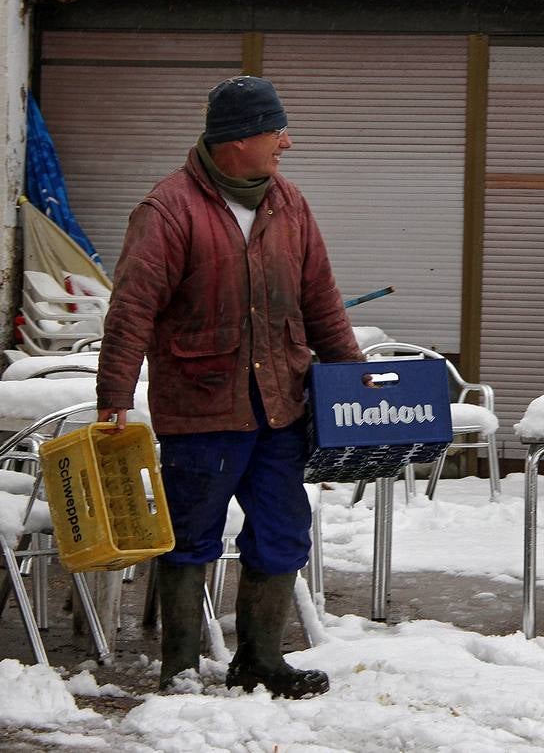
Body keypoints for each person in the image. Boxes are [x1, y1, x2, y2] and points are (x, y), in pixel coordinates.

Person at [95, 76, 362, 699]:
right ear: (239, 140)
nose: (286, 144)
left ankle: (261, 661)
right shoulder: (168, 210)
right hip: (202, 406)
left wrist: (351, 376)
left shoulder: (288, 204)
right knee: (191, 537)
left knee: (284, 530)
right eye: (277, 131)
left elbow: (321, 299)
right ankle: (181, 667)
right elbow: (131, 310)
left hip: (279, 408)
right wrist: (114, 398)